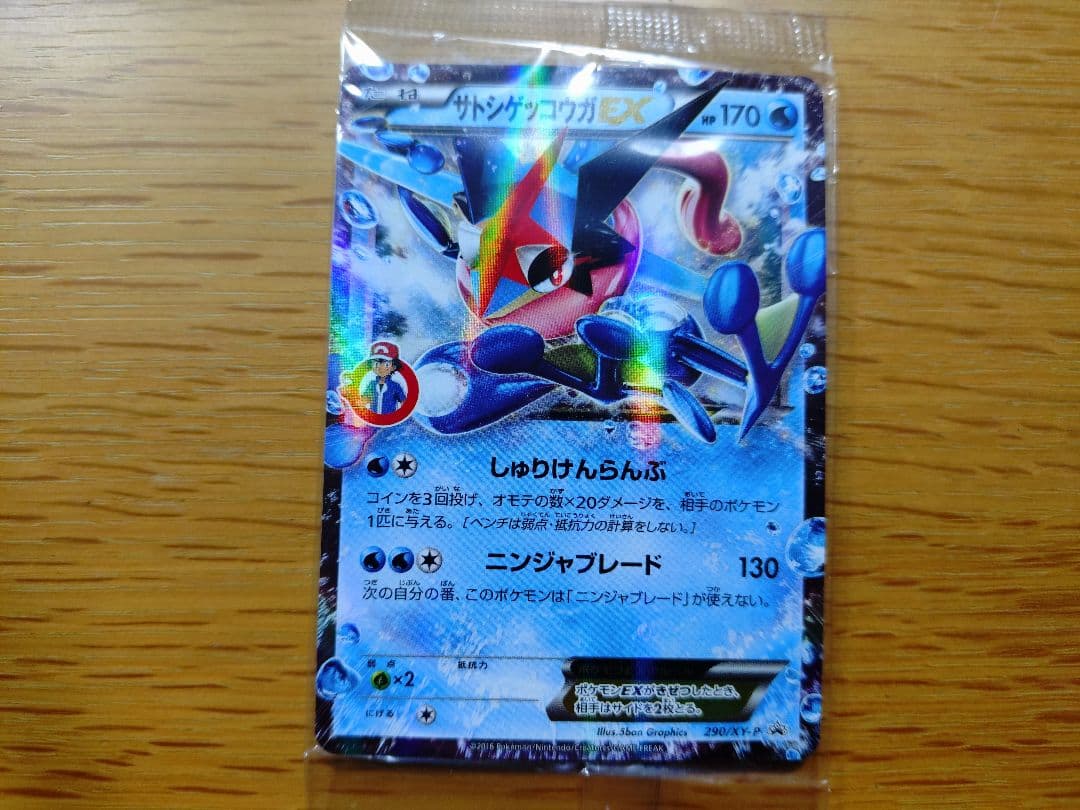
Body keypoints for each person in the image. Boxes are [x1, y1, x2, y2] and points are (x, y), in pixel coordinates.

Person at [360, 341, 406, 415]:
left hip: (390, 420)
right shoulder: (371, 385)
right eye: (376, 364)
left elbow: (404, 402)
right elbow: (364, 400)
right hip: (374, 419)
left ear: (393, 367)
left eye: (386, 364)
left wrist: (400, 417)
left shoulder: (395, 386)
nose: (380, 367)